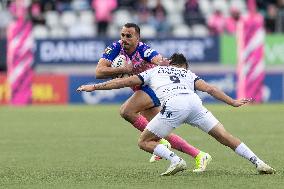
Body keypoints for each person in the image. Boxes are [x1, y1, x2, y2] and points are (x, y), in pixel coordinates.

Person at [78, 53, 276, 176]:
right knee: (225, 137)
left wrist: (94, 86)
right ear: (183, 67)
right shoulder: (189, 74)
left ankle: (176, 160)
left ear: (169, 63)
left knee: (145, 142)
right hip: (195, 104)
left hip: (174, 105)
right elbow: (210, 89)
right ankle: (259, 162)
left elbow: (122, 82)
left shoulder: (154, 71)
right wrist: (232, 102)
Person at [95, 23, 211, 172]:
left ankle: (161, 143)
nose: (124, 39)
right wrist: (123, 69)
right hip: (140, 89)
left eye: (129, 36)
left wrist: (164, 63)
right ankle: (199, 155)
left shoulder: (144, 49)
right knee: (159, 131)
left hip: (154, 88)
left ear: (138, 38)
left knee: (126, 111)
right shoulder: (115, 47)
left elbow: (158, 59)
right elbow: (99, 72)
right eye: (122, 35)